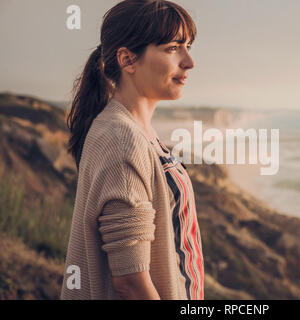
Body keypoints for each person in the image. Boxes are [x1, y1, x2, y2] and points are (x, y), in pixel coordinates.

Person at [61, 0, 204, 300]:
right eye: (173, 47)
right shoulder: (121, 138)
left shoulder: (135, 131)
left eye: (188, 46)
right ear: (127, 60)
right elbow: (130, 281)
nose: (189, 61)